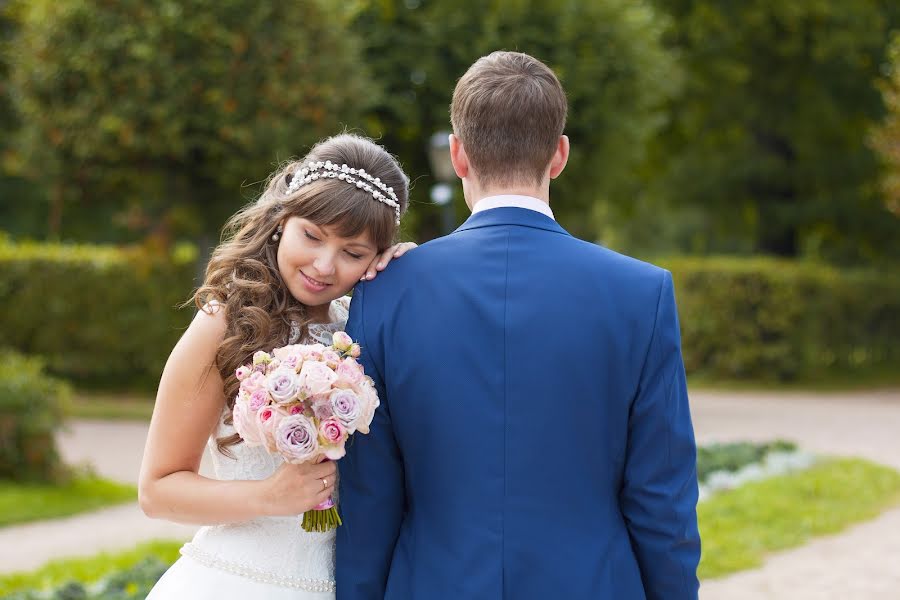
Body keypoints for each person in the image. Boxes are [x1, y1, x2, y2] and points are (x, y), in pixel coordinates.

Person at [336, 51, 701, 599]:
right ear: (559, 155)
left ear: (458, 155)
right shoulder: (640, 294)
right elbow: (661, 497)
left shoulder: (382, 293)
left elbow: (369, 497)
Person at [139, 133, 414, 599]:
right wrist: (268, 496)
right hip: (237, 582)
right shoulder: (224, 323)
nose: (324, 266)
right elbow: (157, 490)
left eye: (354, 253)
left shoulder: (362, 329)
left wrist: (410, 278)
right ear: (281, 220)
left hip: (342, 584)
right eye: (312, 236)